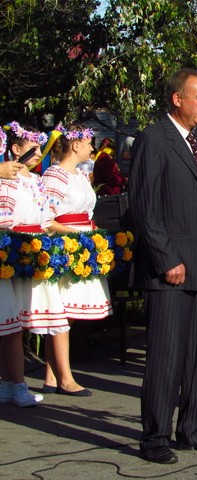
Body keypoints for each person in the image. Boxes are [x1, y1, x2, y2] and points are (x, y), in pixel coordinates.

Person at [129, 68, 197, 464]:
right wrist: (165, 257)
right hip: (172, 268)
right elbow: (144, 206)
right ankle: (155, 435)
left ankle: (194, 428)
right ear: (177, 98)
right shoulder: (153, 139)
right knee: (165, 356)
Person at [42, 123, 113, 395]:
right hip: (65, 244)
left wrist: (92, 235)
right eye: (88, 142)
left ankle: (52, 373)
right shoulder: (54, 176)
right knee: (61, 312)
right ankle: (65, 377)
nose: (92, 147)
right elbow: (45, 218)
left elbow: (87, 211)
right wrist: (76, 235)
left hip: (83, 241)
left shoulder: (81, 175)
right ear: (75, 144)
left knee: (68, 315)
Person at [0, 122, 48, 407]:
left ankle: (10, 383)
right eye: (34, 147)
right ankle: (16, 383)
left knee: (10, 323)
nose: (39, 153)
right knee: (11, 323)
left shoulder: (23, 178)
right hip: (9, 245)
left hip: (14, 249)